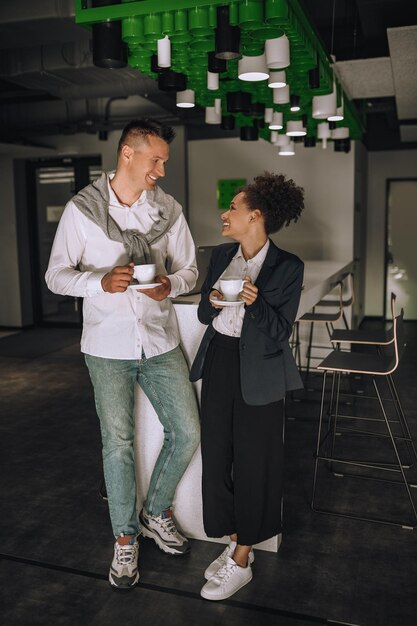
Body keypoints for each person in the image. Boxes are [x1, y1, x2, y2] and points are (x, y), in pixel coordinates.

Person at [45, 119, 200, 590]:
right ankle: (125, 540)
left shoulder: (168, 212)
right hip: (107, 347)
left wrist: (172, 285)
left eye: (164, 162)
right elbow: (56, 276)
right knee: (118, 445)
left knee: (188, 431)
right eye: (155, 160)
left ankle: (155, 512)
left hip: (159, 340)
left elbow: (191, 271)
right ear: (127, 155)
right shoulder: (81, 212)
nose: (161, 170)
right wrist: (99, 281)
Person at [190, 172, 305, 601]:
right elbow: (204, 314)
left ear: (255, 215)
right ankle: (235, 539)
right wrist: (213, 301)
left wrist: (254, 302)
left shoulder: (288, 266)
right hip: (220, 359)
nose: (225, 214)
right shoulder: (221, 255)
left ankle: (241, 559)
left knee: (257, 461)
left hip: (261, 371)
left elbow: (280, 331)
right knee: (217, 455)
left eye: (233, 209)